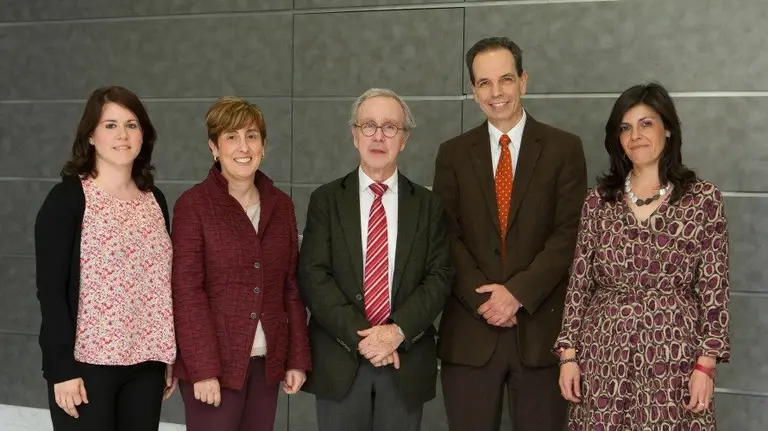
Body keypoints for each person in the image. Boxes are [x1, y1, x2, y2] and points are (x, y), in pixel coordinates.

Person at [432, 37, 588, 431]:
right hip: (470, 331)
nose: (496, 92)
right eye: (484, 83)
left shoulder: (564, 149)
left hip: (539, 332)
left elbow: (569, 234)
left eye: (505, 79)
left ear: (523, 80)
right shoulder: (452, 153)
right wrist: (486, 299)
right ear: (473, 90)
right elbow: (446, 236)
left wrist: (517, 293)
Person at [555, 82, 730, 430]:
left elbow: (714, 290)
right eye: (625, 127)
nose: (635, 135)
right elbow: (579, 283)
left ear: (668, 128)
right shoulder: (598, 202)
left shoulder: (703, 200)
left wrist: (706, 364)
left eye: (646, 123)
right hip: (604, 354)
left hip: (674, 357)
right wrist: (568, 354)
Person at [298, 88, 453, 431]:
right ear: (354, 135)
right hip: (341, 361)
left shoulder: (428, 206)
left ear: (404, 139)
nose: (378, 136)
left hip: (404, 362)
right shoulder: (325, 200)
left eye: (390, 127)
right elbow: (313, 275)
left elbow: (439, 276)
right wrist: (366, 339)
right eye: (368, 126)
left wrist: (396, 332)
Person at [34, 86, 177, 431]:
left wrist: (168, 357)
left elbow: (161, 285)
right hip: (86, 368)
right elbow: (50, 292)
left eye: (132, 124)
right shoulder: (68, 198)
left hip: (147, 364)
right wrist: (61, 369)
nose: (123, 135)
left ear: (144, 134)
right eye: (110, 125)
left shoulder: (154, 199)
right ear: (91, 136)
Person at [170, 96, 311, 431]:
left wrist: (297, 359)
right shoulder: (194, 206)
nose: (243, 146)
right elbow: (187, 292)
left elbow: (291, 286)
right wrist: (203, 369)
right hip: (214, 369)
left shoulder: (281, 206)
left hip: (267, 366)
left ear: (263, 146)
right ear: (214, 148)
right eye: (231, 137)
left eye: (251, 135)